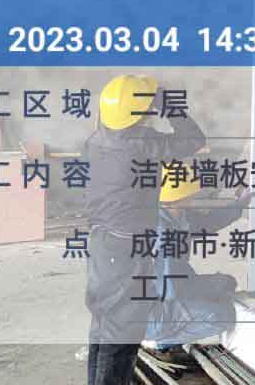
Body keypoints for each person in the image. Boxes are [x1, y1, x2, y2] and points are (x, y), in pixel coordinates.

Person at [83, 74, 205, 385]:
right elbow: (194, 139)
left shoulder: (96, 139)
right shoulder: (140, 144)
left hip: (102, 243)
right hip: (126, 251)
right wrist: (168, 104)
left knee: (103, 327)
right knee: (122, 334)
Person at [144, 164, 253, 349]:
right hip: (156, 308)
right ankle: (160, 342)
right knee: (221, 316)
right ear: (177, 197)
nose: (196, 195)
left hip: (177, 284)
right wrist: (201, 300)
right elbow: (168, 289)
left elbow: (208, 223)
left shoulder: (177, 215)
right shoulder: (164, 234)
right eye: (190, 192)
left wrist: (239, 203)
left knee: (226, 283)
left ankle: (173, 329)